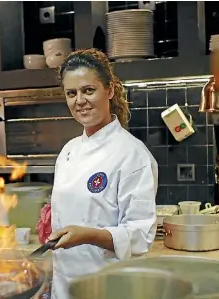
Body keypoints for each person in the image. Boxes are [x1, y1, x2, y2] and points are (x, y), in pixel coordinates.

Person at [47, 48, 158, 299]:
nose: (79, 101)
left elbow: (140, 236)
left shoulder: (132, 154)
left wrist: (87, 235)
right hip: (64, 286)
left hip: (109, 287)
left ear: (109, 90)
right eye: (71, 93)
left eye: (88, 90)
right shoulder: (68, 151)